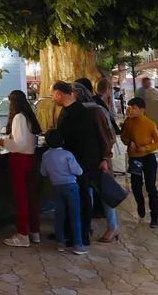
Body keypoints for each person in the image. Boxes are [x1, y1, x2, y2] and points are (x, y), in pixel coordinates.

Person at [52, 81, 106, 247]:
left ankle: (82, 235)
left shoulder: (79, 113)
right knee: (75, 199)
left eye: (53, 94)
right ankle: (70, 233)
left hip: (79, 163)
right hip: (74, 162)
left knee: (81, 198)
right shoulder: (68, 111)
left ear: (60, 94)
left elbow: (84, 141)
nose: (52, 98)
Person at [72, 82, 119, 243]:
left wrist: (105, 158)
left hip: (99, 160)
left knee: (105, 193)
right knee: (88, 194)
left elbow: (107, 136)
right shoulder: (79, 111)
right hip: (85, 160)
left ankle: (113, 227)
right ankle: (87, 224)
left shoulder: (95, 111)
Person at [0, 90, 42, 248]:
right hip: (30, 159)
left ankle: (23, 234)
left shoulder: (18, 117)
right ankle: (34, 231)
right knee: (31, 197)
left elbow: (19, 144)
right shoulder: (28, 116)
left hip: (20, 160)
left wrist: (3, 143)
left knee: (21, 198)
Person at [40, 129, 88, 255]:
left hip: (56, 187)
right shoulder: (67, 154)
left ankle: (60, 243)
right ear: (62, 141)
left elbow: (43, 172)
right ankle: (78, 244)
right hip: (71, 186)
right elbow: (78, 171)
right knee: (75, 215)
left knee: (59, 215)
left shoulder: (45, 155)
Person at [121, 97, 158, 228]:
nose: (131, 110)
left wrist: (147, 147)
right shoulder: (128, 123)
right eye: (130, 108)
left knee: (151, 186)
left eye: (134, 108)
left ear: (142, 110)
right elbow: (124, 137)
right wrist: (129, 142)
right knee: (136, 185)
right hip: (135, 158)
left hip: (148, 157)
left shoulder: (150, 124)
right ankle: (140, 205)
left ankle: (155, 216)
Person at [135, 77, 158, 156]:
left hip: (147, 123)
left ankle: (149, 149)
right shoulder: (141, 93)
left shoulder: (141, 94)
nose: (149, 84)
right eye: (148, 82)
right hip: (155, 124)